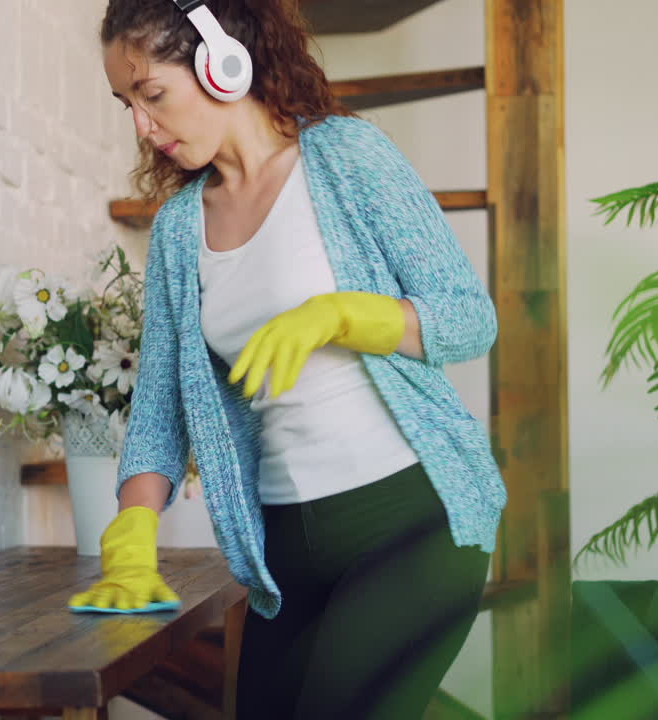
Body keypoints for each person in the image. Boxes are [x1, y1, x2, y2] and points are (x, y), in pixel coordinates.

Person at [69, 1, 507, 718]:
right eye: (127, 104)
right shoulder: (181, 228)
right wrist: (134, 526)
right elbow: (157, 403)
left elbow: (467, 318)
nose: (142, 127)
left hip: (411, 523)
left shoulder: (346, 157)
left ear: (223, 64)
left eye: (152, 95)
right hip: (283, 554)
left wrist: (347, 315)